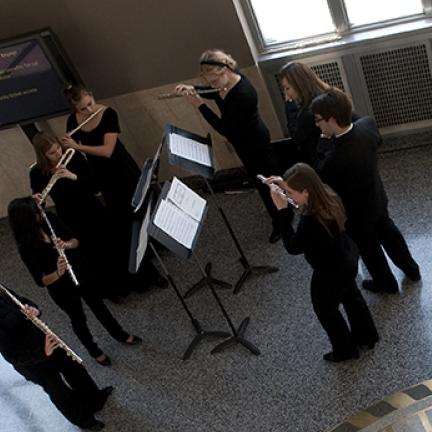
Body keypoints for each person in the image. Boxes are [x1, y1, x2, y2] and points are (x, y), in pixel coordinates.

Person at [0, 261, 112, 431]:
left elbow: (24, 301)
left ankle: (95, 400)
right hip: (33, 362)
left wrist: (34, 309)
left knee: (74, 368)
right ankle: (84, 420)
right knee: (58, 390)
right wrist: (43, 351)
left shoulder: (0, 291)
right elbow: (12, 355)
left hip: (44, 340)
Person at [7, 197, 141, 367]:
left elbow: (76, 241)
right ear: (25, 219)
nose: (41, 213)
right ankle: (94, 350)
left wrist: (67, 244)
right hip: (60, 287)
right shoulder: (25, 246)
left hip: (80, 271)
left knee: (98, 306)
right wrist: (58, 272)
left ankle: (120, 334)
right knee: (78, 318)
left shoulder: (50, 219)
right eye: (36, 212)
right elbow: (40, 280)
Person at [312, 90, 421, 294]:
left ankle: (386, 283)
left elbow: (320, 172)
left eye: (318, 120)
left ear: (332, 120)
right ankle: (412, 269)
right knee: (390, 233)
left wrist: (324, 141)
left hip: (356, 213)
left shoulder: (335, 159)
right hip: (377, 198)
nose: (317, 124)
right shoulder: (368, 126)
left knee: (369, 249)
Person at [58, 85, 166, 294]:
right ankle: (141, 253)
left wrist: (77, 146)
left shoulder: (108, 114)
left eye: (89, 104)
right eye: (82, 109)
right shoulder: (73, 121)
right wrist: (67, 148)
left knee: (140, 207)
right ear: (75, 109)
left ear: (92, 96)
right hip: (101, 176)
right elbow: (76, 152)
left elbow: (108, 150)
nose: (88, 110)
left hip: (121, 169)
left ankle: (156, 242)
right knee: (122, 215)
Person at [266, 163, 378, 362]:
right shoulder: (327, 194)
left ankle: (345, 351)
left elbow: (293, 247)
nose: (289, 196)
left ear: (306, 192)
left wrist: (282, 211)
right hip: (347, 256)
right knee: (352, 296)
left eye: (290, 192)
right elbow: (302, 196)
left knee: (326, 309)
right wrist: (284, 185)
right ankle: (367, 335)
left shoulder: (310, 223)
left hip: (330, 271)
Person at [175, 49, 290, 242]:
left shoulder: (243, 93)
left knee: (266, 183)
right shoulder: (225, 84)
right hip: (243, 141)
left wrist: (199, 104)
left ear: (225, 71)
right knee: (259, 181)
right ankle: (278, 213)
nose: (212, 86)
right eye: (209, 83)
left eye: (214, 81)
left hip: (255, 142)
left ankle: (283, 221)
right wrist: (193, 88)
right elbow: (214, 93)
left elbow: (224, 128)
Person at [29, 132, 130, 301]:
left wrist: (71, 176)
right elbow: (40, 202)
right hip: (69, 216)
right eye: (52, 153)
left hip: (92, 208)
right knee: (91, 254)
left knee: (111, 245)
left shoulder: (73, 156)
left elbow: (95, 185)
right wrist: (38, 199)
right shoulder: (37, 173)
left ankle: (129, 282)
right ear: (43, 156)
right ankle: (110, 290)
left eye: (57, 149)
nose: (58, 154)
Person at [278, 62, 338, 167]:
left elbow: (297, 137)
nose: (286, 93)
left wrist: (289, 105)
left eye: (287, 88)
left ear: (299, 85)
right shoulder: (329, 94)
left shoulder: (307, 113)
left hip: (322, 159)